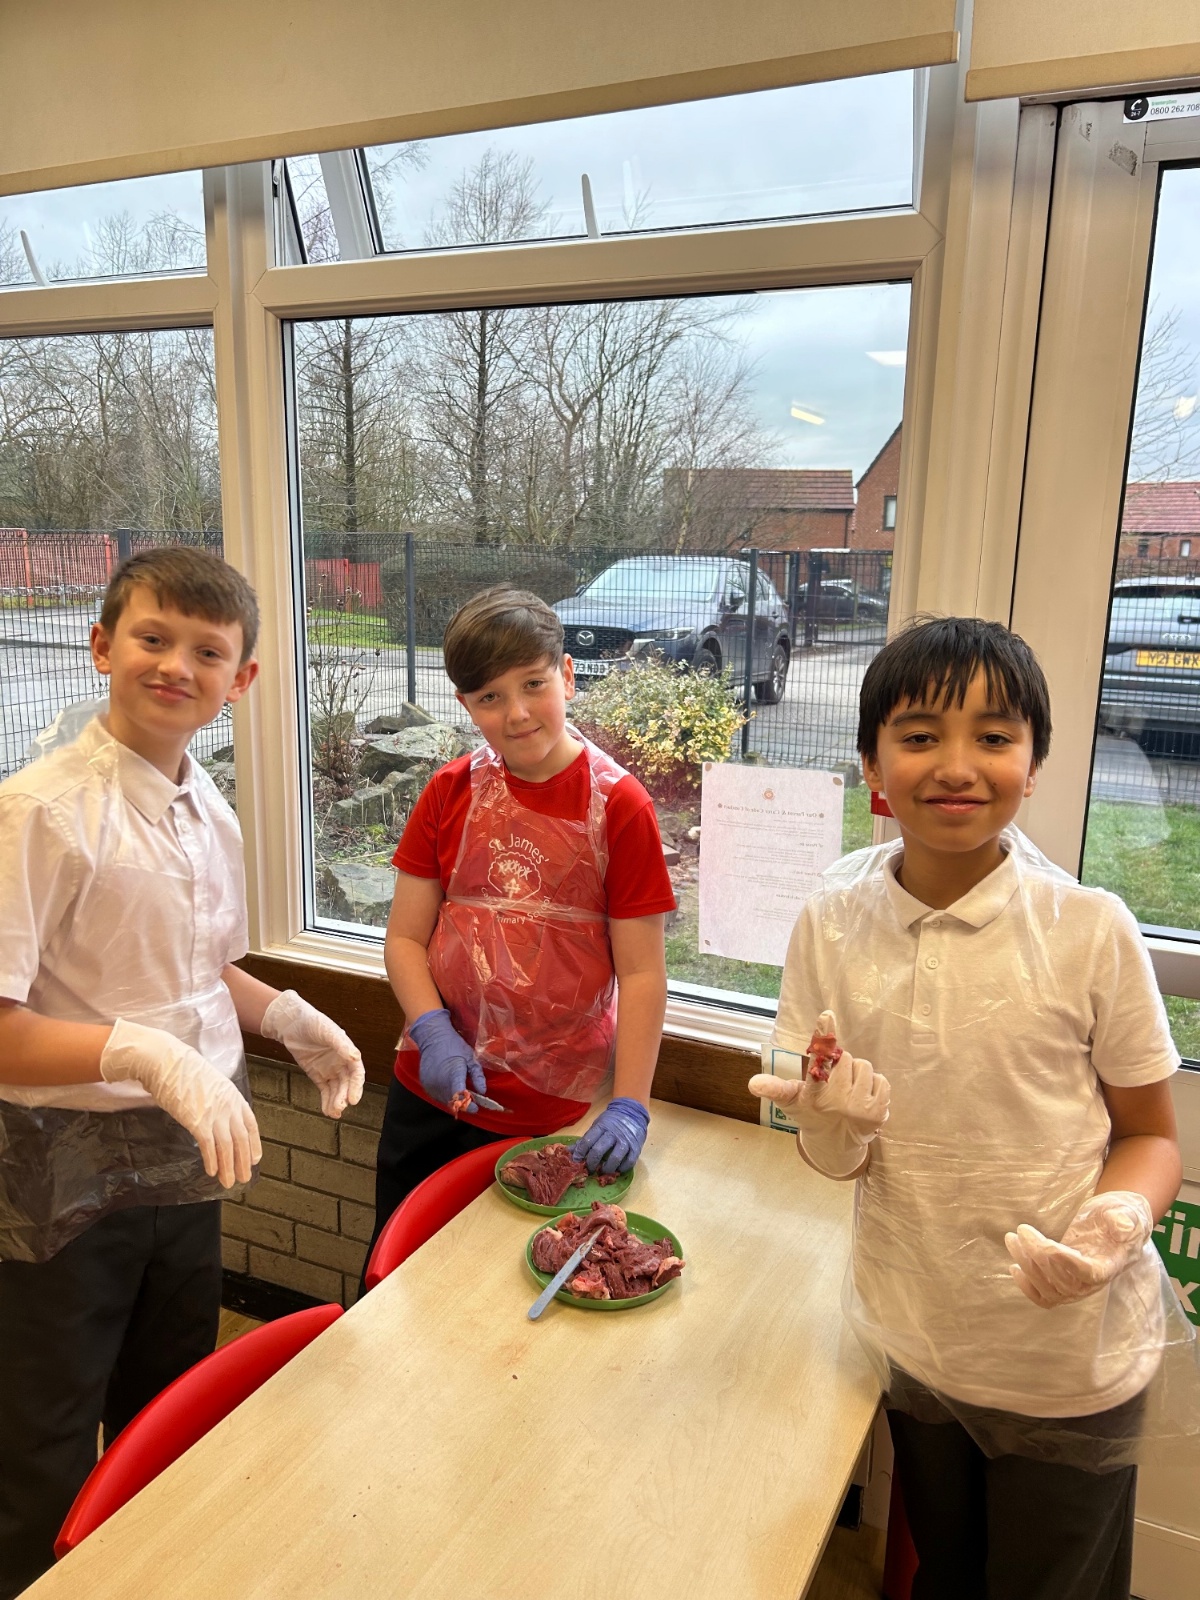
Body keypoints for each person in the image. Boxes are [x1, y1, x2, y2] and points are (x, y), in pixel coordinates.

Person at [750, 616, 1186, 1600]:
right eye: (919, 735)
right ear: (873, 765)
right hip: (918, 1336)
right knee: (944, 1575)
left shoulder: (1089, 930)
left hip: (1066, 1353)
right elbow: (830, 1148)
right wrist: (829, 1126)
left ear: (1034, 765)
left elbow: (1152, 1135)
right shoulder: (833, 919)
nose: (957, 765)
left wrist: (1116, 1221)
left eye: (993, 736)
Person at [0, 548, 365, 1598]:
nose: (176, 666)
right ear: (101, 645)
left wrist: (285, 1015)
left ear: (240, 680)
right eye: (153, 638)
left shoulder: (214, 812)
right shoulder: (40, 812)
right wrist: (141, 1051)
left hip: (188, 1156)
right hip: (62, 1170)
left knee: (166, 1404)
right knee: (46, 1429)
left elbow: (198, 972)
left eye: (208, 652)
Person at [364, 586, 674, 1277]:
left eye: (534, 684)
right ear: (464, 704)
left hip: (548, 1113)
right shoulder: (450, 791)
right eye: (490, 697)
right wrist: (431, 1030)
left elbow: (642, 973)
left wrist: (630, 1104)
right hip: (433, 1090)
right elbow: (405, 940)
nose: (517, 713)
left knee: (502, 1296)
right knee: (397, 1281)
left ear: (567, 675)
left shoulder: (620, 808)